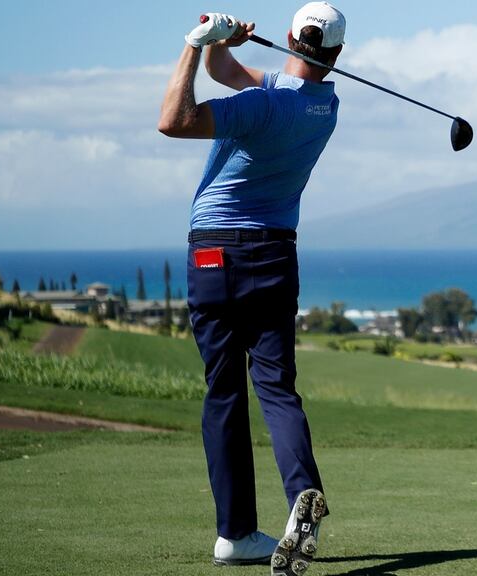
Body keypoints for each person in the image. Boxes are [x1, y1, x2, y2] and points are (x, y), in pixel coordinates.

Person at [158, 3, 345, 573]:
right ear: (336, 55)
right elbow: (231, 73)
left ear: (290, 36)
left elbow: (173, 120)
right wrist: (224, 43)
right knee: (277, 387)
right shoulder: (323, 106)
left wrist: (193, 43)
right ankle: (301, 495)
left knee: (224, 391)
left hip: (214, 252)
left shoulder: (261, 105)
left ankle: (235, 534)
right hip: (273, 254)